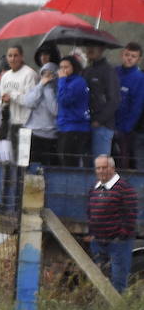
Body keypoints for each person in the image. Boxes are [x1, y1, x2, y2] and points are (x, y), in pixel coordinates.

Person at [87, 155, 138, 294]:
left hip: (118, 244)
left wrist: (120, 237)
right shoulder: (94, 188)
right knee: (100, 282)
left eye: (104, 167)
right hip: (98, 242)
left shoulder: (124, 188)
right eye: (98, 168)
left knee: (118, 282)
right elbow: (90, 213)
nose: (101, 171)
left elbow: (131, 216)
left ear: (112, 168)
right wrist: (92, 234)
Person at [81, 43, 121, 161]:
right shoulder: (86, 70)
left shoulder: (109, 71)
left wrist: (99, 121)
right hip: (85, 124)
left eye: (94, 46)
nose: (90, 49)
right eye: (88, 46)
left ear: (102, 49)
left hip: (102, 126)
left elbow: (114, 100)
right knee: (84, 165)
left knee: (101, 165)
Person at [0, 45, 39, 152]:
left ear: (21, 57)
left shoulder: (29, 74)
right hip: (12, 124)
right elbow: (2, 100)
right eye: (10, 56)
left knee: (25, 159)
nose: (13, 59)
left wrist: (13, 95)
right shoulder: (5, 77)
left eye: (16, 56)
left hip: (27, 124)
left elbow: (32, 101)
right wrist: (4, 101)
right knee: (15, 160)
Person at [56, 56, 91, 168]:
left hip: (75, 127)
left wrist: (61, 80)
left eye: (66, 67)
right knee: (62, 158)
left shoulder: (78, 82)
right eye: (61, 67)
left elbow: (64, 100)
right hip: (64, 125)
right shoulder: (66, 81)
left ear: (74, 67)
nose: (63, 70)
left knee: (70, 160)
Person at [22, 62, 59, 165]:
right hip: (34, 134)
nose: (47, 77)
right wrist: (41, 85)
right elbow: (29, 102)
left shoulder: (56, 90)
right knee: (31, 168)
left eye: (50, 74)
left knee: (49, 168)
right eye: (44, 74)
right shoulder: (37, 88)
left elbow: (55, 110)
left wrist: (48, 89)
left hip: (51, 136)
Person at [115, 42, 144, 170]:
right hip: (109, 123)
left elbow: (137, 106)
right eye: (127, 55)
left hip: (126, 128)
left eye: (133, 56)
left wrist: (127, 127)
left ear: (139, 59)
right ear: (122, 55)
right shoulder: (114, 72)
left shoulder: (139, 78)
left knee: (124, 159)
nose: (129, 58)